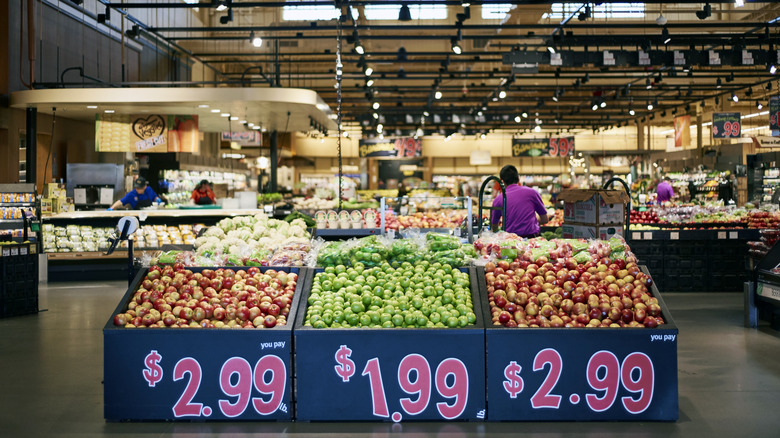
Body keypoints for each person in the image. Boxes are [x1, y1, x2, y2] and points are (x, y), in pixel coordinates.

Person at [490, 165, 549, 238]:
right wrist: (530, 222)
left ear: (502, 182)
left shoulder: (498, 199)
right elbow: (545, 219)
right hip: (532, 241)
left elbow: (494, 225)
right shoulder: (532, 193)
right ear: (518, 179)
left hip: (510, 242)